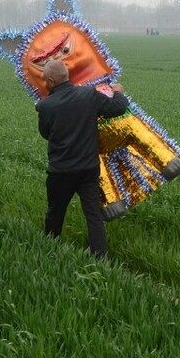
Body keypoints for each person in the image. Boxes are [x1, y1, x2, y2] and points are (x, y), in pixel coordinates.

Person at [36, 58, 129, 256]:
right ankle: (100, 257)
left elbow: (46, 133)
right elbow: (118, 108)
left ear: (51, 81)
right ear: (66, 76)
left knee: (55, 213)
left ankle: (48, 251)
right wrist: (118, 91)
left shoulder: (45, 106)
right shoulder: (88, 95)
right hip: (88, 169)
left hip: (60, 171)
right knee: (93, 215)